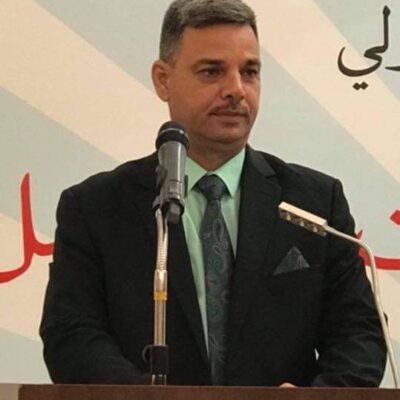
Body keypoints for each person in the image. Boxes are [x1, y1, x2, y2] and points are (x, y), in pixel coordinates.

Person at [40, 0, 386, 387]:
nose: (236, 90)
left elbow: (360, 335)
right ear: (163, 80)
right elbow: (71, 337)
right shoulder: (95, 208)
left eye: (249, 72)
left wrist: (315, 398)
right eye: (212, 71)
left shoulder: (315, 204)